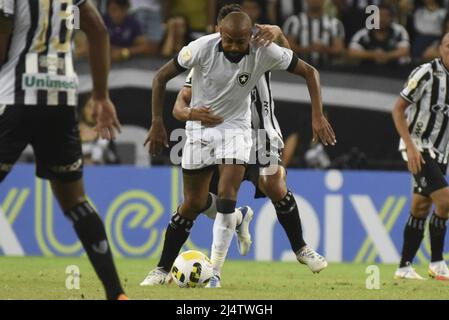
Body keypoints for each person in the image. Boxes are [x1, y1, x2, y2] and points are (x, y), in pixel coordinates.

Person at [140, 6, 335, 287]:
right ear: (219, 31)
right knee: (194, 202)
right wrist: (182, 116)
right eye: (228, 38)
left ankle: (297, 248)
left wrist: (278, 33)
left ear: (250, 34)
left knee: (271, 184)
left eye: (240, 39)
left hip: (256, 128)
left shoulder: (261, 48)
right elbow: (178, 100)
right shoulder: (202, 53)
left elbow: (298, 63)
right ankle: (170, 262)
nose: (234, 45)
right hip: (204, 131)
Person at [0, 0, 126, 299]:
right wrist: (100, 95)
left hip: (14, 96)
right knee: (75, 202)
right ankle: (116, 293)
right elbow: (98, 30)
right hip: (60, 98)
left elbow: (3, 31)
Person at [391, 32, 449, 280]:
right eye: (448, 46)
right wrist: (411, 146)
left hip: (441, 151)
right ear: (440, 48)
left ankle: (404, 267)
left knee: (421, 206)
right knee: (445, 201)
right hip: (419, 147)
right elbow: (398, 109)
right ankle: (437, 262)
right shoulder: (426, 72)